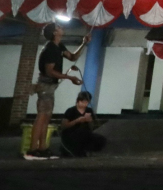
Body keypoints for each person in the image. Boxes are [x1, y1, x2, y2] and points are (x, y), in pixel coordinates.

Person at [25, 22, 90, 160]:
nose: (62, 28)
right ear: (54, 33)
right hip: (45, 86)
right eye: (59, 27)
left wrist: (83, 43)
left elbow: (72, 57)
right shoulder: (50, 49)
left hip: (49, 87)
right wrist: (70, 77)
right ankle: (32, 149)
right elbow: (49, 71)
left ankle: (42, 148)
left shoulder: (58, 46)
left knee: (46, 117)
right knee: (41, 117)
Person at [60, 91, 107, 157]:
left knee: (100, 139)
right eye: (83, 102)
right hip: (71, 132)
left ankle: (87, 151)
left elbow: (92, 127)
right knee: (80, 134)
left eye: (87, 102)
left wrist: (90, 121)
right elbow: (64, 126)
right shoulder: (70, 111)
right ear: (78, 101)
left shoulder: (89, 110)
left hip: (85, 132)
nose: (85, 104)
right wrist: (77, 121)